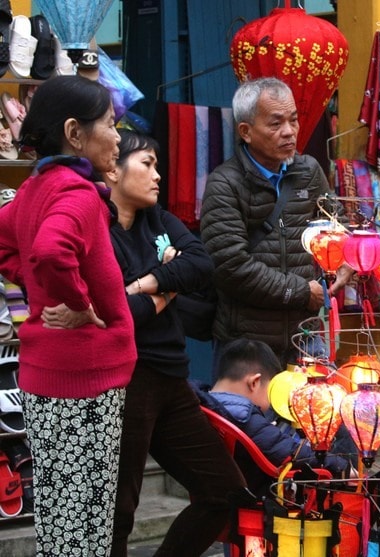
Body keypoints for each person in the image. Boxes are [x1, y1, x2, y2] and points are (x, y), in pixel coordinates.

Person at [0, 75, 136, 556]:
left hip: (48, 376)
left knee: (61, 525)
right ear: (75, 133)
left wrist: (39, 288)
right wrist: (79, 305)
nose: (118, 137)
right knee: (85, 530)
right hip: (86, 380)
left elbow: (9, 245)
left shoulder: (35, 189)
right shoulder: (77, 194)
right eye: (111, 125)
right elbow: (52, 252)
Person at [103, 129, 246, 557]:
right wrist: (169, 286)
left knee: (224, 491)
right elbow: (123, 316)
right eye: (147, 164)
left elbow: (201, 263)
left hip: (172, 377)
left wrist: (150, 284)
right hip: (129, 379)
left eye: (157, 165)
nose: (158, 175)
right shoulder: (99, 230)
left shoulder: (159, 221)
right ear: (113, 168)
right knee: (118, 512)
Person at [200, 77, 352, 371]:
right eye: (275, 123)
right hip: (246, 343)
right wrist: (301, 292)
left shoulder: (308, 171)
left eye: (293, 120)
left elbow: (337, 226)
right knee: (247, 417)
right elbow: (230, 266)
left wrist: (345, 261)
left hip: (304, 336)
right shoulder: (224, 183)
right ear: (245, 131)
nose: (289, 132)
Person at [195, 338, 354, 495]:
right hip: (259, 496)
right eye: (270, 392)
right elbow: (290, 452)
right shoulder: (244, 418)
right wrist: (344, 468)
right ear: (254, 383)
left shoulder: (203, 405)